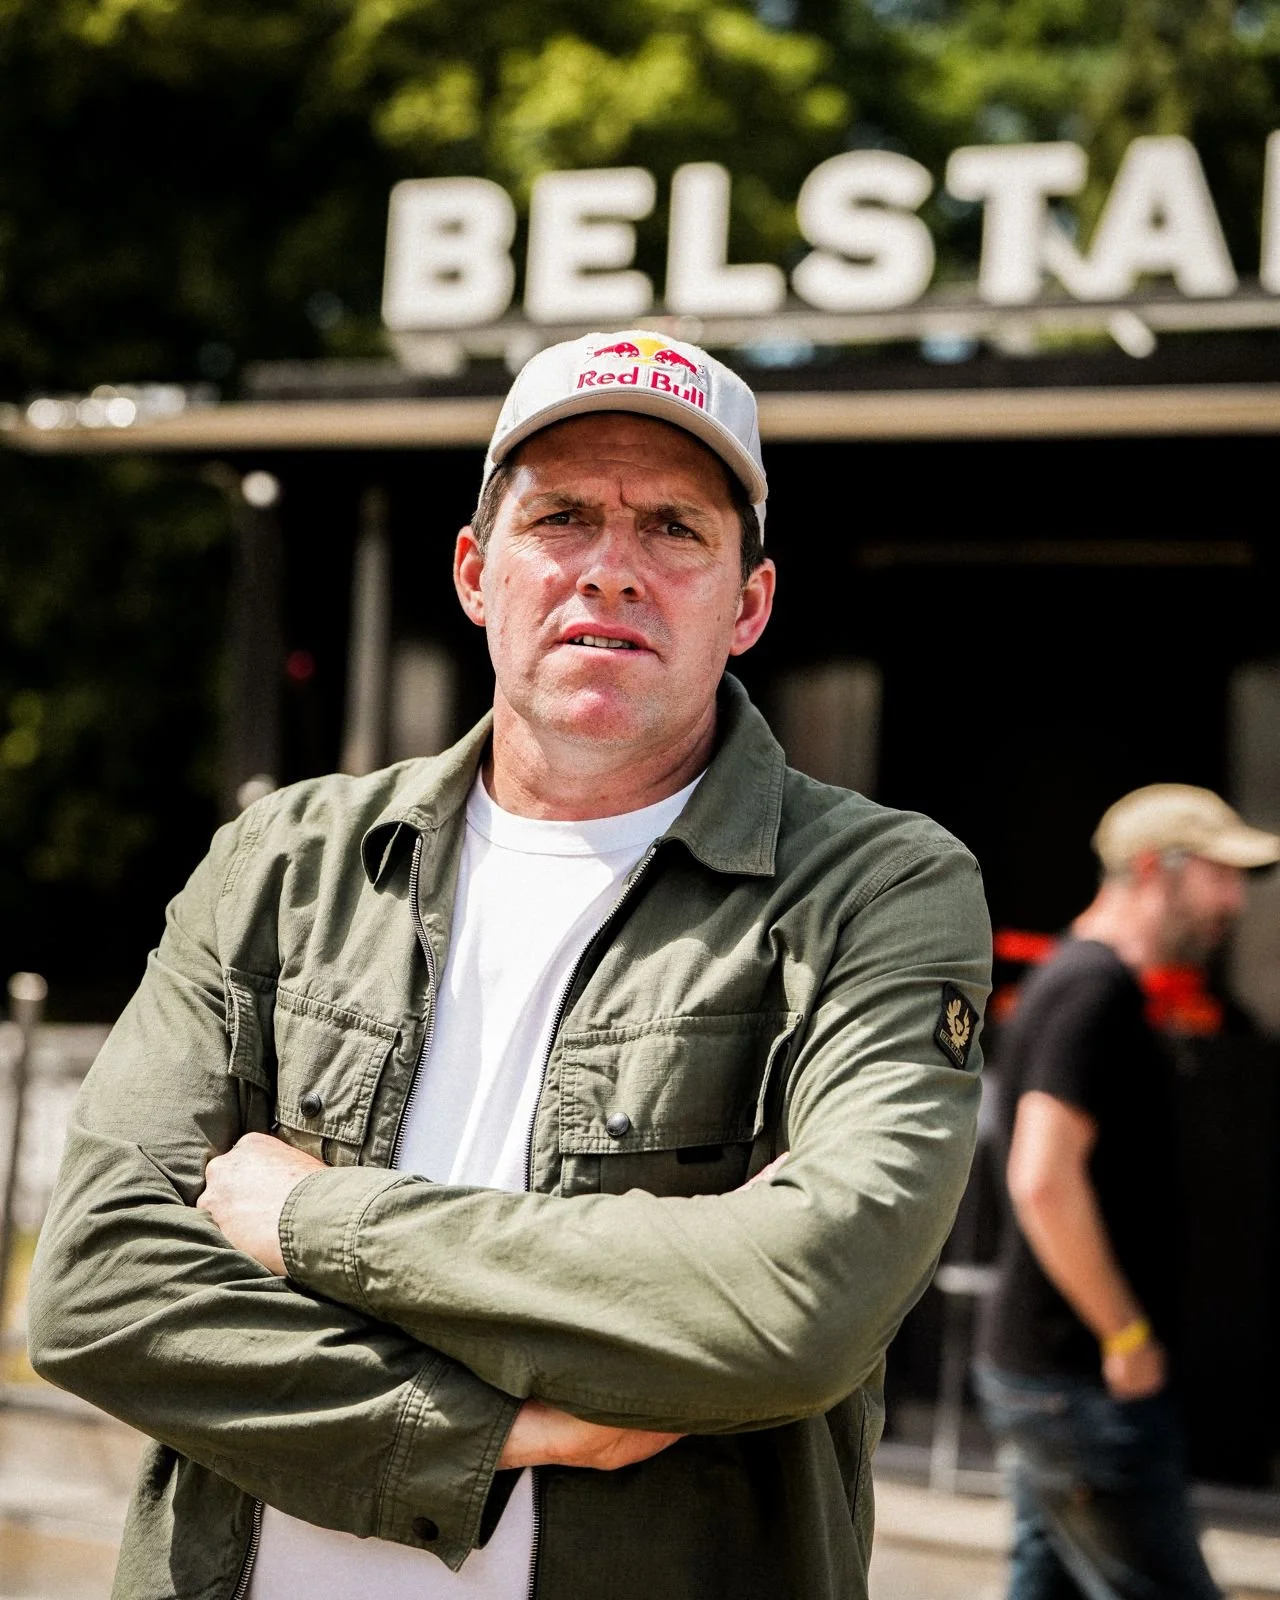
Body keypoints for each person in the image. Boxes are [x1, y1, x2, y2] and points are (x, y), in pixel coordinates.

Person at [29, 328, 991, 1600]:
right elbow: (98, 1287)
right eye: (562, 518)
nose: (610, 570)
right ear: (478, 572)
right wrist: (493, 1435)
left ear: (747, 602)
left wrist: (312, 1218)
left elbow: (796, 1305)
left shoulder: (874, 887)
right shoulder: (284, 859)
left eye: (673, 528)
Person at [976, 783, 1280, 1600]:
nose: (1233, 901)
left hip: (1050, 1378)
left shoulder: (1081, 978)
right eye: (1221, 876)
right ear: (1156, 871)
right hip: (1082, 1383)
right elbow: (1041, 1179)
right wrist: (1126, 1336)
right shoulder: (1093, 987)